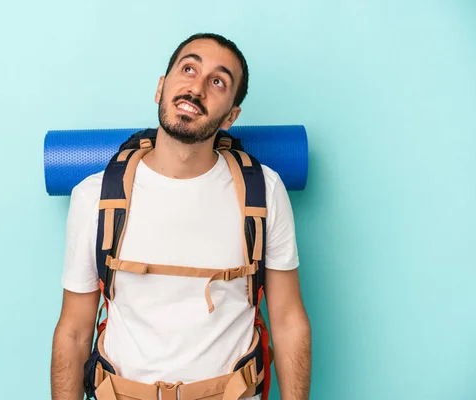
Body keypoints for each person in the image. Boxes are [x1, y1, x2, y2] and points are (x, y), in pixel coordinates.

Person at [51, 33, 312, 400]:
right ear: (161, 87)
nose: (197, 88)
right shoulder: (93, 195)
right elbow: (74, 332)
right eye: (188, 68)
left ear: (231, 116)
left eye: (218, 81)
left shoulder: (265, 191)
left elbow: (288, 321)